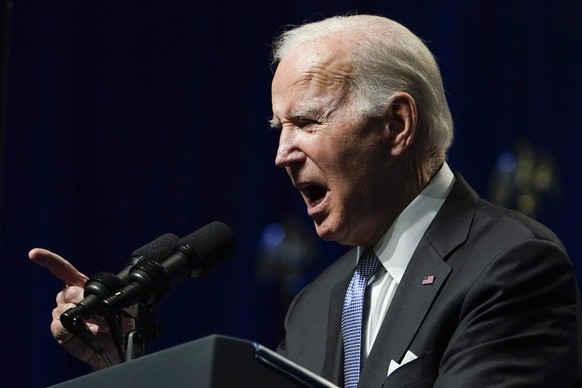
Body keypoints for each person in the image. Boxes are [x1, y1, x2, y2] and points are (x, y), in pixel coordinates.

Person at [32, 14, 581, 387]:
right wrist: (122, 369)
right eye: (278, 127)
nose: (281, 153)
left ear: (397, 124)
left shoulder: (511, 265)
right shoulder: (318, 304)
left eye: (307, 122)